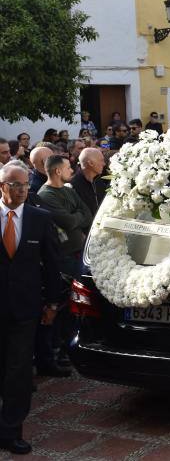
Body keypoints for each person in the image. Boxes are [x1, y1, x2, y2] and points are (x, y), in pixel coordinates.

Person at [0, 163, 62, 455]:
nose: (23, 189)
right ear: (2, 186)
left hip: (25, 309)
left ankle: (11, 431)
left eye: (26, 184)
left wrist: (52, 302)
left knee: (19, 370)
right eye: (16, 185)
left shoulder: (40, 218)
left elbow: (52, 264)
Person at [70, 148, 107, 216]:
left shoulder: (98, 181)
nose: (104, 164)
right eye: (101, 160)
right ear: (90, 163)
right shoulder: (72, 186)